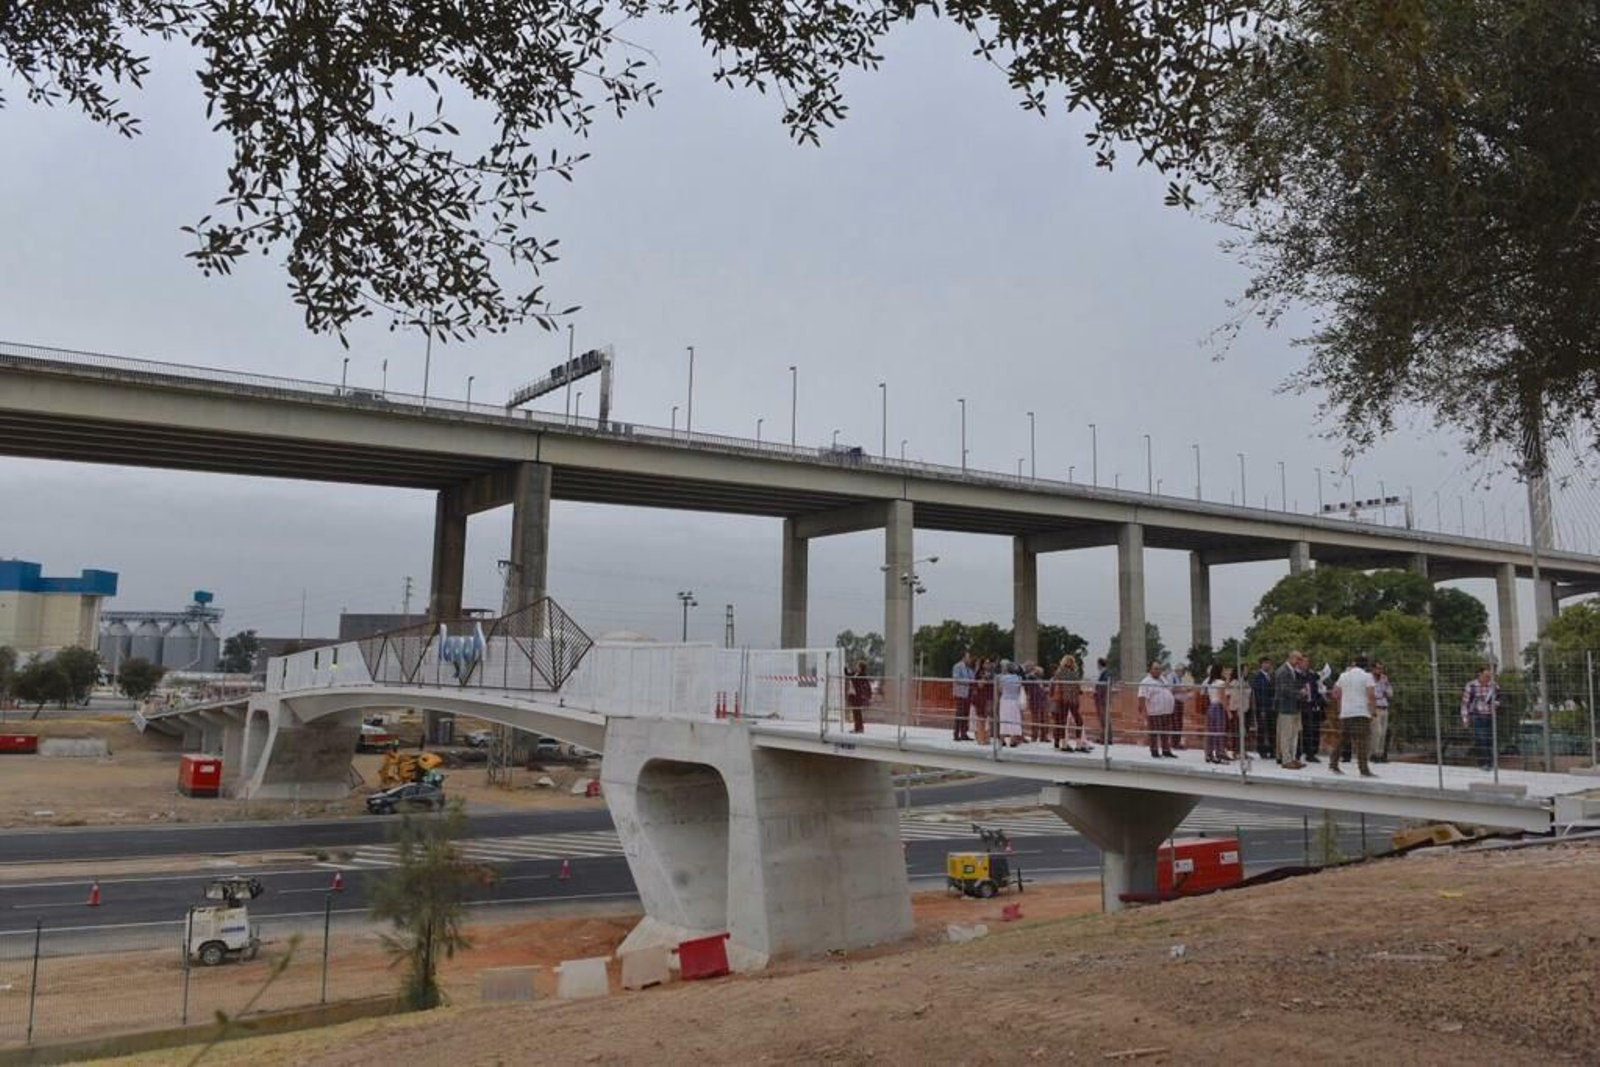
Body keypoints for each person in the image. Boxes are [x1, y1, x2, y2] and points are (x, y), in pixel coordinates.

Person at [1330, 655, 1376, 777]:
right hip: (1361, 712)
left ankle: (1333, 763)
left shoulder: (1343, 675)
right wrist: (1372, 710)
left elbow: (1335, 692)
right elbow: (1371, 695)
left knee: (1344, 739)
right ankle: (1364, 769)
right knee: (1362, 741)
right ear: (1366, 665)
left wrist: (1342, 705)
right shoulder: (1367, 676)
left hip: (1346, 712)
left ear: (1354, 663)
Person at [1461, 665, 1500, 770]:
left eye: (1490, 676)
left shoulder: (1494, 686)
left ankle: (1490, 763)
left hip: (1490, 716)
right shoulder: (1471, 686)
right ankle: (1483, 763)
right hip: (1477, 716)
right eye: (1486, 675)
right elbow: (1465, 704)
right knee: (1481, 738)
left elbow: (1498, 699)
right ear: (1480, 674)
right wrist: (1465, 719)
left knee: (1490, 740)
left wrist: (1495, 704)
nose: (1488, 678)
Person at [1273, 651, 1305, 769]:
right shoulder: (1283, 671)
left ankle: (1291, 758)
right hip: (1286, 707)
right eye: (1298, 659)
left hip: (1293, 707)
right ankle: (1286, 760)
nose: (1299, 662)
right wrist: (1300, 693)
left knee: (1293, 734)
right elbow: (1284, 690)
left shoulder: (1291, 670)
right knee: (1286, 735)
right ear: (1292, 658)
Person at [1139, 661, 1177, 758]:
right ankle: (1154, 751)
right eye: (1155, 668)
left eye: (1159, 669)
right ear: (1150, 670)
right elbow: (1142, 697)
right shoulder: (1146, 682)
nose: (1158, 671)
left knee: (1166, 732)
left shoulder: (1163, 679)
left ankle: (1166, 750)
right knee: (1154, 733)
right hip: (1154, 712)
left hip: (1167, 711)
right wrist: (1144, 713)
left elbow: (1169, 690)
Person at [1053, 654, 1090, 752]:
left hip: (1063, 700)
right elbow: (1077, 687)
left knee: (1063, 722)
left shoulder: (1059, 672)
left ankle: (1063, 743)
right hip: (1072, 700)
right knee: (1078, 721)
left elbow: (1056, 685)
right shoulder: (1073, 673)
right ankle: (1077, 744)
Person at [1250, 657, 1276, 758]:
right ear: (1261, 665)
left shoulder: (1271, 676)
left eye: (1269, 663)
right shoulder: (1258, 677)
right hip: (1262, 708)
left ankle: (1272, 750)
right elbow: (1258, 695)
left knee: (1271, 730)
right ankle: (1262, 751)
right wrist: (1261, 709)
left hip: (1271, 708)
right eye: (1265, 663)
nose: (1267, 665)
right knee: (1262, 730)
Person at [1203, 663, 1230, 763]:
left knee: (1211, 731)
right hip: (1218, 707)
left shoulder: (1210, 682)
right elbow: (1223, 698)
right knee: (1219, 731)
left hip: (1211, 706)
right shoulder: (1220, 683)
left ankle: (1209, 753)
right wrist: (1228, 712)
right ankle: (1219, 753)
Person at [996, 659, 1026, 746]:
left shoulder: (1002, 678)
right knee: (1015, 719)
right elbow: (1019, 689)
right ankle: (1013, 740)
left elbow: (1000, 689)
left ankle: (1002, 740)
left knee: (1004, 719)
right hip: (1014, 700)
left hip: (1005, 700)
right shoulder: (1018, 678)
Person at [1302, 665, 1327, 764]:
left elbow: (1319, 692)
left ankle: (1313, 752)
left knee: (1315, 731)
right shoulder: (1301, 677)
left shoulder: (1314, 678)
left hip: (1316, 707)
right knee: (1308, 731)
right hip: (1305, 707)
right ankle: (1308, 753)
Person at [1225, 665, 1250, 760]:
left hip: (1245, 709)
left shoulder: (1245, 682)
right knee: (1237, 731)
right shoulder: (1234, 683)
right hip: (1236, 710)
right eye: (1245, 670)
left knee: (1244, 731)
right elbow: (1230, 696)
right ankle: (1236, 751)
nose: (1247, 672)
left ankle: (1242, 750)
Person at [1370, 662, 1394, 763]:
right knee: (1377, 732)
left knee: (1383, 733)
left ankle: (1380, 755)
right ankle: (1373, 754)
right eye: (1378, 668)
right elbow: (1372, 694)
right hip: (1376, 707)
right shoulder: (1369, 679)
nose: (1380, 670)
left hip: (1384, 707)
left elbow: (1390, 693)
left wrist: (1386, 685)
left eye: (1381, 668)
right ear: (1373, 669)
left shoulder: (1384, 679)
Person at [951, 650, 975, 741]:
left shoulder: (969, 668)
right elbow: (956, 678)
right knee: (959, 713)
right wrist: (968, 681)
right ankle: (956, 734)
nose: (969, 659)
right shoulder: (957, 666)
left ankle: (964, 733)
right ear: (963, 657)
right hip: (960, 693)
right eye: (968, 657)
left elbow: (973, 678)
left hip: (968, 693)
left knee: (966, 713)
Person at [844, 659, 871, 733]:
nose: (856, 667)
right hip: (852, 695)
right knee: (855, 712)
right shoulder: (855, 673)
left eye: (858, 666)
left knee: (858, 712)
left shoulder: (863, 675)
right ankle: (856, 728)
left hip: (858, 696)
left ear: (861, 667)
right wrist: (845, 668)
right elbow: (847, 674)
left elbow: (867, 686)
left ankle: (860, 728)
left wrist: (868, 695)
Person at [973, 656, 995, 745]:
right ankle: (980, 738)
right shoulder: (979, 673)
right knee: (981, 718)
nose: (988, 664)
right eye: (986, 663)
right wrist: (985, 678)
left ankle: (987, 737)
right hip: (981, 697)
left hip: (989, 697)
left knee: (988, 718)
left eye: (989, 663)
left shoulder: (992, 673)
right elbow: (979, 685)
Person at [1094, 657, 1112, 743]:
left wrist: (1098, 695)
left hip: (1103, 700)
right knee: (1102, 719)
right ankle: (1103, 737)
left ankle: (1106, 738)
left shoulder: (1105, 674)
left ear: (1100, 664)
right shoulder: (1103, 673)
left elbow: (1104, 687)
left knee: (1104, 719)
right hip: (1101, 699)